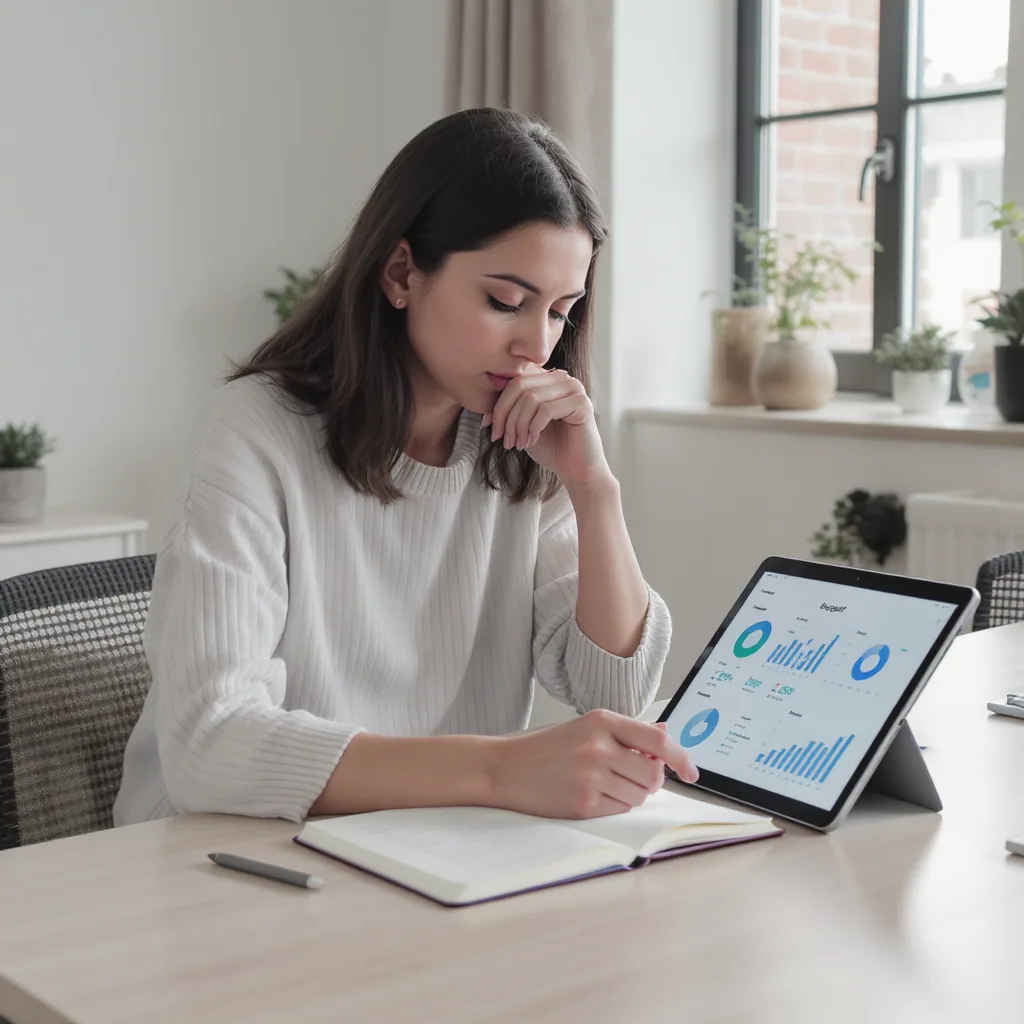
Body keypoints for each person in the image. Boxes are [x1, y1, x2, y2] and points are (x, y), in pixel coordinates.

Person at [113, 107, 698, 828]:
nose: (536, 347)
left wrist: (593, 489)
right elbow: (211, 744)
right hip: (226, 854)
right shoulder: (256, 431)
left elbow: (617, 692)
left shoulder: (519, 444)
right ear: (401, 272)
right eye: (505, 301)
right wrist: (500, 770)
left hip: (428, 843)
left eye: (560, 313)